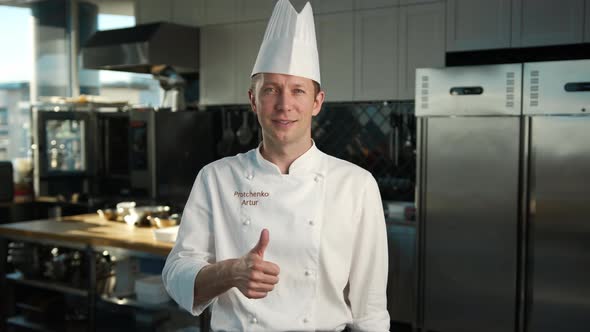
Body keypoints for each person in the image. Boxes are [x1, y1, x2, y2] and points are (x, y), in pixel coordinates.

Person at [162, 0, 390, 331]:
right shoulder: (217, 178)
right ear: (253, 99)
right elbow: (175, 274)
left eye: (298, 90)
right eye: (271, 89)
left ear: (316, 102)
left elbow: (369, 309)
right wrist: (231, 272)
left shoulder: (356, 184)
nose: (284, 104)